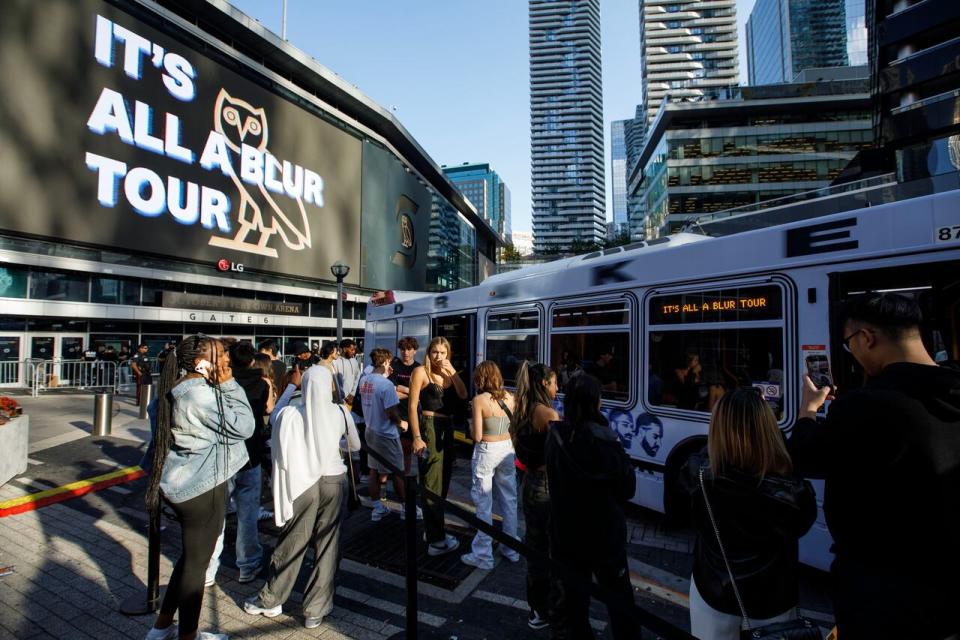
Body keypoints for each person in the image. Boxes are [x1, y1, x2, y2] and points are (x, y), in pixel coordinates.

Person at [788, 292, 960, 639]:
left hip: (885, 590)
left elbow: (804, 458)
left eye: (849, 345)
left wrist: (808, 412)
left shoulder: (868, 406)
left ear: (867, 338)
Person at [143, 336, 255, 640]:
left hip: (185, 484)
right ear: (200, 363)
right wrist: (230, 384)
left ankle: (162, 627)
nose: (226, 359)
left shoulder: (177, 388)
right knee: (197, 566)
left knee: (190, 560)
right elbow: (245, 426)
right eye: (219, 355)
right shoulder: (200, 395)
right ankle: (188, 636)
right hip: (202, 488)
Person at [681, 389, 816, 640]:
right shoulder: (791, 495)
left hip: (712, 591)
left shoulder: (697, 474)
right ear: (768, 429)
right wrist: (807, 414)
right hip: (771, 600)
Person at [244, 365, 361, 630]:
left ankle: (272, 598)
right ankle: (315, 609)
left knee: (292, 540)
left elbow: (271, 415)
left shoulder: (290, 414)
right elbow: (355, 445)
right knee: (328, 545)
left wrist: (290, 387)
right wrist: (334, 445)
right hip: (334, 479)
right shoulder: (341, 412)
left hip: (302, 485)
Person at [546, 374, 639, 639]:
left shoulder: (556, 434)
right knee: (620, 604)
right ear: (596, 402)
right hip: (604, 536)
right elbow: (627, 489)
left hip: (566, 534)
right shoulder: (606, 440)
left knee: (575, 605)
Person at [205, 341, 270, 586]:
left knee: (216, 515)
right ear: (253, 360)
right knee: (248, 514)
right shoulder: (261, 383)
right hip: (250, 455)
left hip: (222, 456)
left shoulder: (216, 383)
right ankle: (248, 565)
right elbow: (268, 409)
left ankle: (209, 569)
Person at [510, 361, 560, 630]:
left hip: (528, 482)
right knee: (552, 551)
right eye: (554, 382)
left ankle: (537, 609)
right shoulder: (547, 414)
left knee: (535, 547)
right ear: (544, 384)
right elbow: (560, 456)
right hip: (546, 486)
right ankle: (552, 607)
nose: (557, 387)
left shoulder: (522, 408)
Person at [408, 337, 468, 556]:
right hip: (429, 425)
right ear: (429, 352)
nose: (438, 357)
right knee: (431, 482)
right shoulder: (420, 373)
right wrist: (416, 436)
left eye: (443, 353)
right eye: (435, 352)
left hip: (447, 428)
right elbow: (412, 406)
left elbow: (463, 395)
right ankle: (436, 541)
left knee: (442, 484)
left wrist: (452, 371)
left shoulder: (449, 373)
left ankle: (433, 531)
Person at [461, 361, 519, 571]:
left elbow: (476, 436)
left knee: (483, 501)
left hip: (487, 449)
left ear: (480, 378)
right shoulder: (510, 397)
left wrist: (469, 425)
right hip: (507, 447)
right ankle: (511, 548)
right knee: (509, 499)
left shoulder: (479, 400)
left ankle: (483, 555)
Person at [360, 348, 419, 521]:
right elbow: (391, 413)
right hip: (387, 434)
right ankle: (406, 509)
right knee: (398, 472)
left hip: (370, 430)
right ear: (386, 362)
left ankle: (377, 508)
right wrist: (403, 423)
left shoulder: (365, 380)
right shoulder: (385, 385)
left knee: (374, 470)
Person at [389, 337, 422, 478]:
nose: (405, 352)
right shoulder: (394, 367)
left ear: (415, 351)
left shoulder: (419, 368)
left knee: (410, 449)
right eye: (403, 349)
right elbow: (391, 393)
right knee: (398, 450)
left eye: (409, 349)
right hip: (396, 414)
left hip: (413, 414)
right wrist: (411, 391)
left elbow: (422, 394)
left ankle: (406, 478)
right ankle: (399, 477)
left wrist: (402, 388)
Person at [333, 338, 361, 408]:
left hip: (352, 399)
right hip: (339, 401)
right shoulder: (335, 362)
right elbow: (335, 382)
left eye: (354, 350)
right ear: (345, 349)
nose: (354, 352)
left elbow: (357, 378)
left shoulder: (354, 361)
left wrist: (352, 394)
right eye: (352, 350)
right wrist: (344, 396)